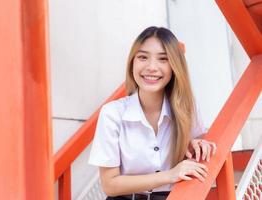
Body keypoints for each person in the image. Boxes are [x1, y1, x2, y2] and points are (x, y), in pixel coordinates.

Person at [88, 26, 217, 200]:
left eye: (163, 59)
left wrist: (193, 142)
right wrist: (169, 175)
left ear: (174, 67)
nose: (151, 67)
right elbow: (110, 185)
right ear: (132, 62)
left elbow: (202, 152)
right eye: (142, 57)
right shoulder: (112, 113)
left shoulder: (187, 108)